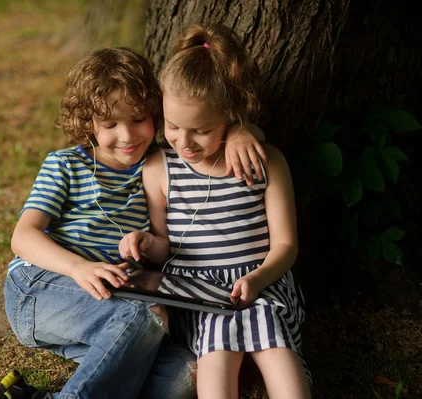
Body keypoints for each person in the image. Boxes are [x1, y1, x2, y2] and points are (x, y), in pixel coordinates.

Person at [3, 46, 266, 399]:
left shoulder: (161, 167)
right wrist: (79, 267)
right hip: (43, 287)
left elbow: (210, 135)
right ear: (88, 124)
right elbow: (23, 237)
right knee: (145, 316)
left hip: (113, 302)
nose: (127, 136)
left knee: (188, 373)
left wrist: (239, 131)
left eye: (139, 118)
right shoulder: (65, 165)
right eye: (110, 124)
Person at [119, 24, 312, 399]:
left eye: (202, 130)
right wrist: (145, 242)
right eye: (173, 126)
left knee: (276, 348)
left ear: (232, 116)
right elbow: (166, 246)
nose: (185, 142)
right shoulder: (160, 169)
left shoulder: (266, 162)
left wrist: (257, 280)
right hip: (198, 293)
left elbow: (286, 245)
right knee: (216, 354)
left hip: (262, 284)